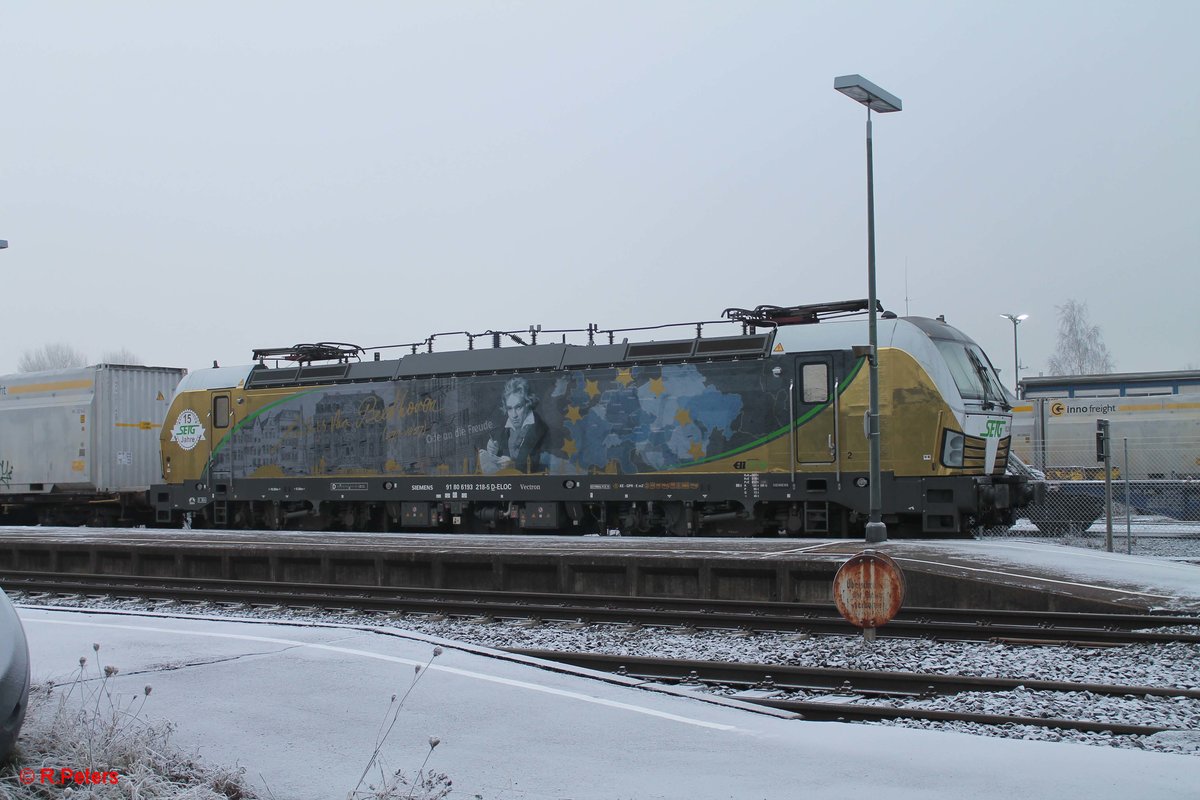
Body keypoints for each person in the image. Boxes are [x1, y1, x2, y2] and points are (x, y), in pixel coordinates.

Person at [479, 376, 547, 473]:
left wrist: (514, 465)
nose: (514, 415)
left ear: (527, 404)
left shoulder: (541, 429)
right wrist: (494, 451)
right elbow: (501, 461)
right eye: (510, 409)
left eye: (518, 407)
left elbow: (544, 464)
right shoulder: (503, 431)